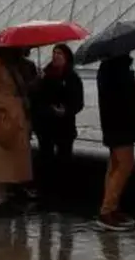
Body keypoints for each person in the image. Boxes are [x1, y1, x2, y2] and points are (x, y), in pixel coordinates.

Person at [0, 47, 34, 217]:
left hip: (15, 116)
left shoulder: (15, 64)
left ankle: (5, 197)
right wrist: (9, 104)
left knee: (11, 159)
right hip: (2, 117)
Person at [95, 54, 135, 232]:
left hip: (113, 125)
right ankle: (107, 211)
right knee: (125, 165)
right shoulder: (119, 71)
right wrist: (134, 85)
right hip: (122, 125)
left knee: (114, 167)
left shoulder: (106, 69)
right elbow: (121, 95)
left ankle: (111, 207)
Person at [32, 43, 84, 198]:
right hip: (45, 126)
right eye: (54, 52)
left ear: (66, 57)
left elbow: (78, 102)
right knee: (45, 159)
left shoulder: (72, 78)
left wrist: (66, 110)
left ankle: (63, 192)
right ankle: (45, 192)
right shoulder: (44, 75)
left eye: (59, 53)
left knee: (64, 160)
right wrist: (38, 82)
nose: (55, 55)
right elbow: (36, 99)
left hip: (64, 126)